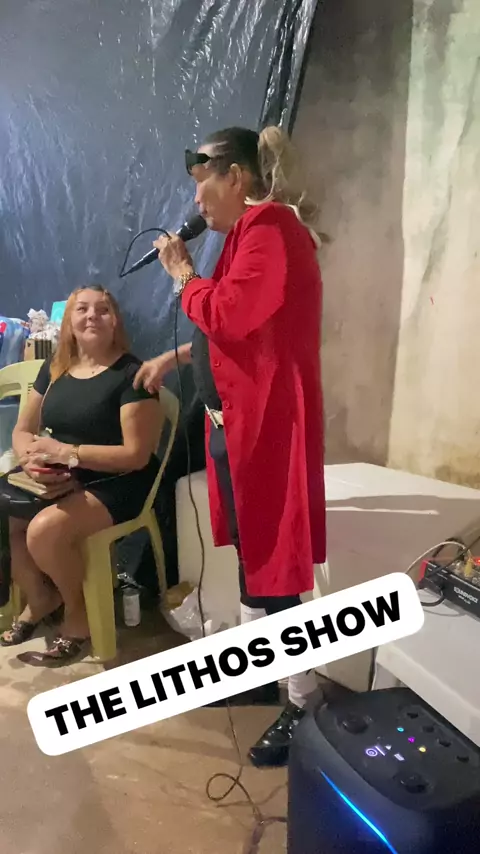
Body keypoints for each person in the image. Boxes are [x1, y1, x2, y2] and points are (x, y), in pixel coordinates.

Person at [134, 126, 326, 767]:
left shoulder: (271, 227)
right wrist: (177, 355)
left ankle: (303, 702)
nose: (196, 202)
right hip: (234, 426)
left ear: (236, 177)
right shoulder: (246, 236)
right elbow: (240, 330)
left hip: (266, 427)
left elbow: (229, 313)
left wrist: (183, 275)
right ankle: (257, 674)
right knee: (251, 554)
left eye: (202, 184)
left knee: (273, 564)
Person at [0, 285, 162, 664]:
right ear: (69, 321)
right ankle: (41, 599)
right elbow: (23, 430)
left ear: (115, 321)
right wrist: (30, 459)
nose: (92, 316)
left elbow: (136, 455)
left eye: (102, 309)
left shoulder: (132, 374)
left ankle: (78, 616)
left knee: (43, 531)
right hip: (64, 474)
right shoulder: (54, 367)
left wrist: (67, 453)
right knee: (8, 517)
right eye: (82, 309)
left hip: (119, 480)